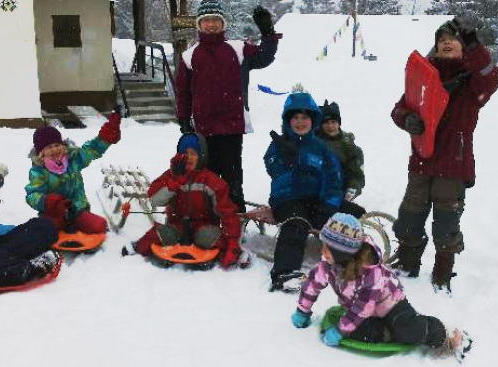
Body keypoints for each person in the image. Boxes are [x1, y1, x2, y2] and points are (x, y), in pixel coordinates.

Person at [388, 17, 498, 292]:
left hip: (453, 164)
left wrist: (475, 46)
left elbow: (492, 78)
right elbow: (399, 108)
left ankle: (442, 271)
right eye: (441, 40)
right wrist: (406, 119)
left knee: (446, 222)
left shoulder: (473, 81)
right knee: (410, 216)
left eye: (452, 39)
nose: (446, 43)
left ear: (462, 47)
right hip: (422, 160)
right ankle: (407, 263)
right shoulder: (424, 77)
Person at [290, 213, 473, 362]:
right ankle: (384, 332)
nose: (322, 252)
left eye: (327, 248)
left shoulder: (371, 272)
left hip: (391, 305)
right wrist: (302, 311)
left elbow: (363, 307)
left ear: (342, 252)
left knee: (408, 330)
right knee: (361, 332)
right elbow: (311, 285)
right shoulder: (328, 266)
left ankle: (446, 334)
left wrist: (339, 330)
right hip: (365, 312)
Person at [175, 0, 281, 213]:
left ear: (222, 23)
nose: (211, 24)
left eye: (215, 20)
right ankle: (208, 215)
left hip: (232, 125)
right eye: (206, 20)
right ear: (199, 24)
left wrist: (268, 34)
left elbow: (264, 57)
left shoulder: (238, 49)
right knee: (207, 174)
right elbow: (183, 92)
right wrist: (184, 119)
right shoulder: (189, 56)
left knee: (232, 175)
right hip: (204, 128)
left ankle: (235, 216)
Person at [264, 89, 343, 292]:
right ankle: (284, 272)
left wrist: (329, 204)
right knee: (296, 222)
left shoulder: (321, 147)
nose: (300, 122)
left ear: (313, 120)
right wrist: (287, 161)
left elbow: (333, 178)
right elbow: (272, 167)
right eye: (296, 118)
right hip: (287, 198)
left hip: (315, 199)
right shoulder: (279, 144)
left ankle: (351, 260)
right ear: (288, 120)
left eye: (305, 117)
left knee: (347, 216)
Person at [134, 133, 243, 268]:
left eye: (193, 153)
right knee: (160, 234)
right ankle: (138, 248)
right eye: (185, 153)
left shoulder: (211, 180)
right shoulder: (171, 176)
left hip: (203, 227)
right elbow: (155, 200)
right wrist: (174, 181)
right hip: (177, 226)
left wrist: (232, 242)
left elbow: (227, 212)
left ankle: (235, 255)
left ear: (201, 156)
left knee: (210, 237)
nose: (189, 157)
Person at [25, 109, 122, 233]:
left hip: (77, 209)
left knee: (99, 225)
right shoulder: (38, 171)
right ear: (41, 153)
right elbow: (32, 195)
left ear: (62, 145)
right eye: (49, 147)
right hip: (54, 212)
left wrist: (106, 135)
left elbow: (92, 149)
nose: (54, 150)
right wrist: (47, 201)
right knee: (44, 231)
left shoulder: (73, 158)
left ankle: (74, 222)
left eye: (57, 145)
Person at [316, 100, 366, 219]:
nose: (330, 126)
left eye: (333, 122)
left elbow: (356, 175)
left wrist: (352, 190)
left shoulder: (350, 147)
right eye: (326, 123)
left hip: (338, 192)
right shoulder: (314, 142)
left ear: (339, 123)